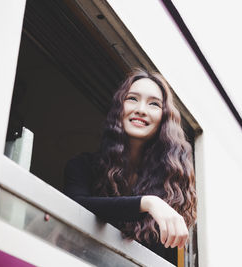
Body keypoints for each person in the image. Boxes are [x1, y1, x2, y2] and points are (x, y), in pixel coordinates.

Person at [63, 68, 197, 264]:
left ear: (164, 119)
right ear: (119, 108)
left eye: (154, 104)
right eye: (132, 99)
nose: (141, 109)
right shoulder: (82, 166)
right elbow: (75, 205)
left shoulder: (169, 189)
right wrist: (148, 203)